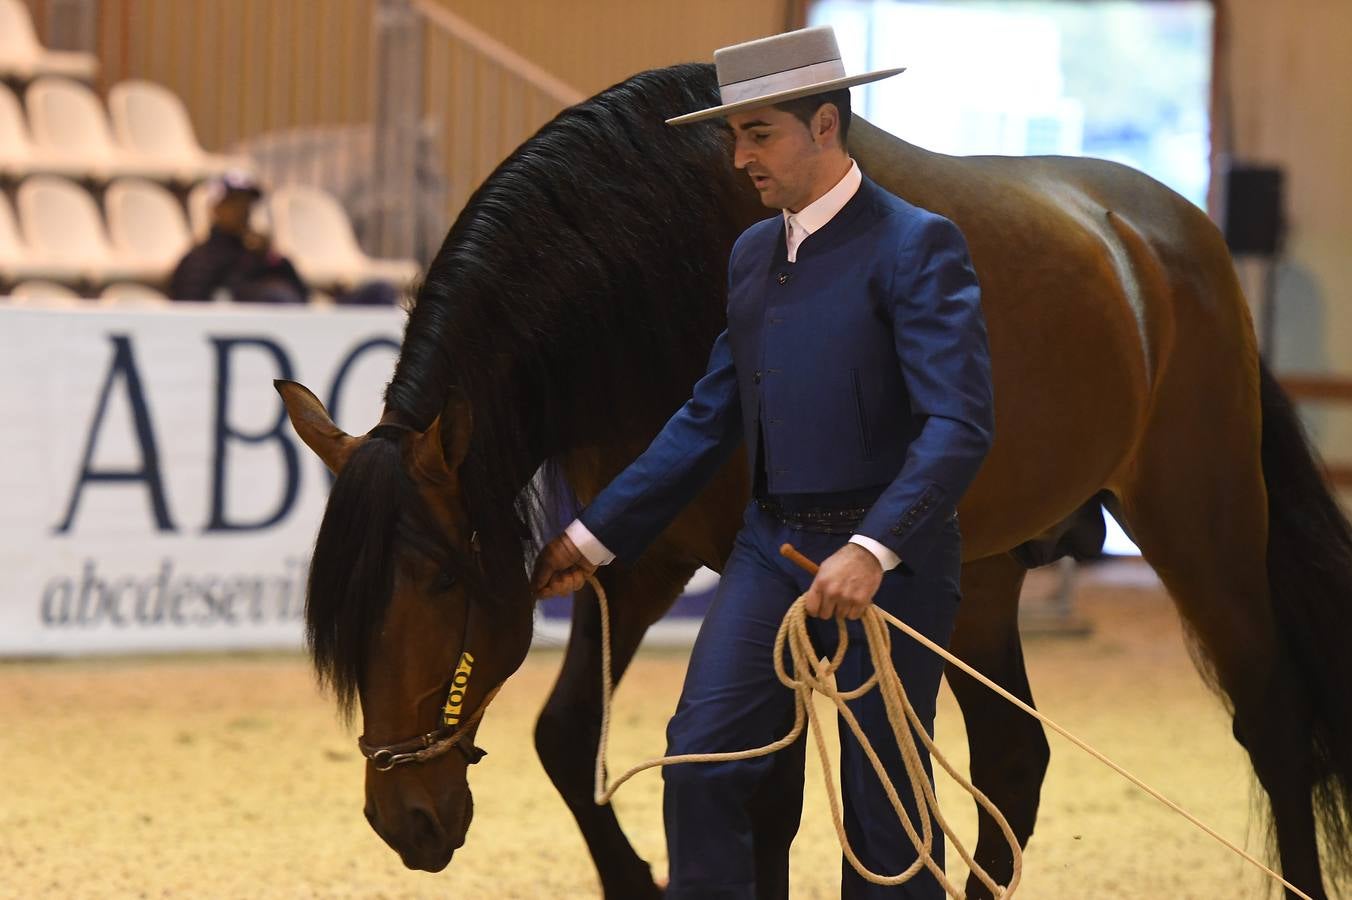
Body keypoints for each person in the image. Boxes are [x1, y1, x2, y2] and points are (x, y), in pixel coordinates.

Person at [530, 25, 994, 900]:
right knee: (699, 765)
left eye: (759, 134)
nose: (740, 157)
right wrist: (590, 539)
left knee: (885, 817)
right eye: (733, 136)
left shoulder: (917, 245)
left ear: (825, 126)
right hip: (769, 549)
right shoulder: (750, 255)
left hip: (892, 568)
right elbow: (708, 416)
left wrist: (874, 549)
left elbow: (959, 424)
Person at [168, 172, 399, 306]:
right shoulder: (199, 258)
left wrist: (271, 257)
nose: (243, 210)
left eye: (247, 203)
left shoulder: (261, 252)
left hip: (302, 316)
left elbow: (301, 290)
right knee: (277, 295)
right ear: (214, 209)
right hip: (259, 327)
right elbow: (192, 307)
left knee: (381, 291)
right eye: (233, 203)